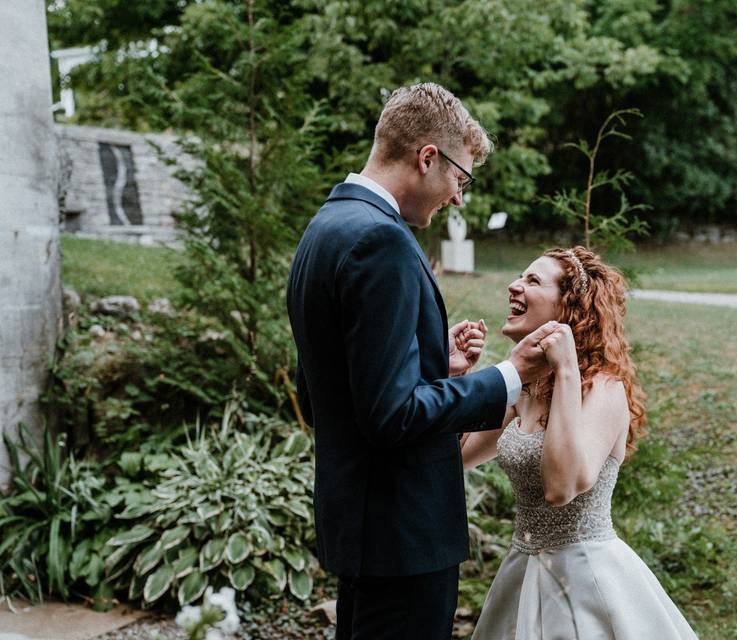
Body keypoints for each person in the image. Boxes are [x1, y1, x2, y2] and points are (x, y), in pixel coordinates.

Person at [286, 83, 555, 640]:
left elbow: (322, 393)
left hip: (364, 532)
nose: (459, 197)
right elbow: (391, 417)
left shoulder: (326, 228)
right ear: (427, 157)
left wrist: (439, 368)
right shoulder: (379, 242)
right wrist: (509, 376)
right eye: (461, 178)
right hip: (402, 534)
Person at [462, 246, 699, 639]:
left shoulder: (604, 390)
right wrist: (458, 378)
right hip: (521, 572)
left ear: (567, 307)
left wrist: (567, 368)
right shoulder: (524, 389)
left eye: (532, 281)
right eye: (520, 277)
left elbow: (561, 487)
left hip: (585, 581)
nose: (513, 286)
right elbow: (458, 457)